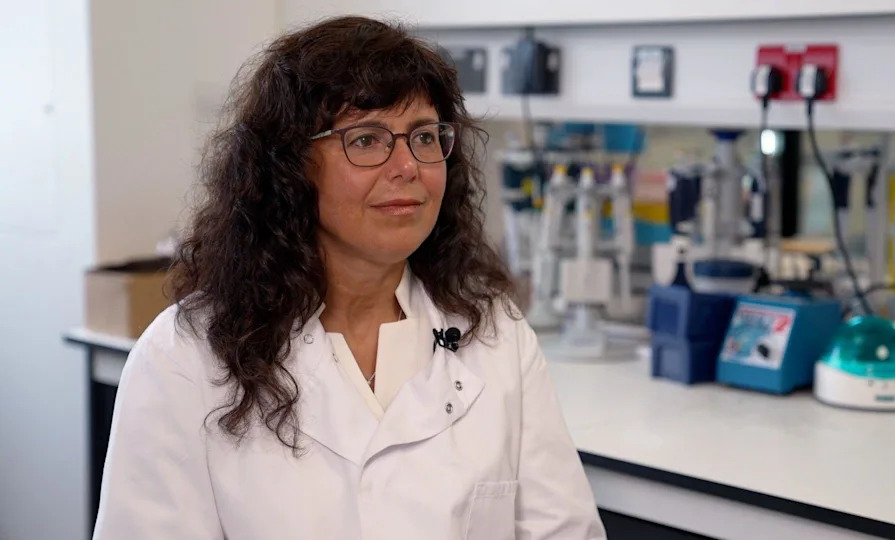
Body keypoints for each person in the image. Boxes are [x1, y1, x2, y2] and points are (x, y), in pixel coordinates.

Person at [93, 15, 605, 540]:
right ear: (291, 167)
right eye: (366, 140)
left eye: (424, 137)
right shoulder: (185, 358)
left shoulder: (495, 332)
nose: (407, 166)